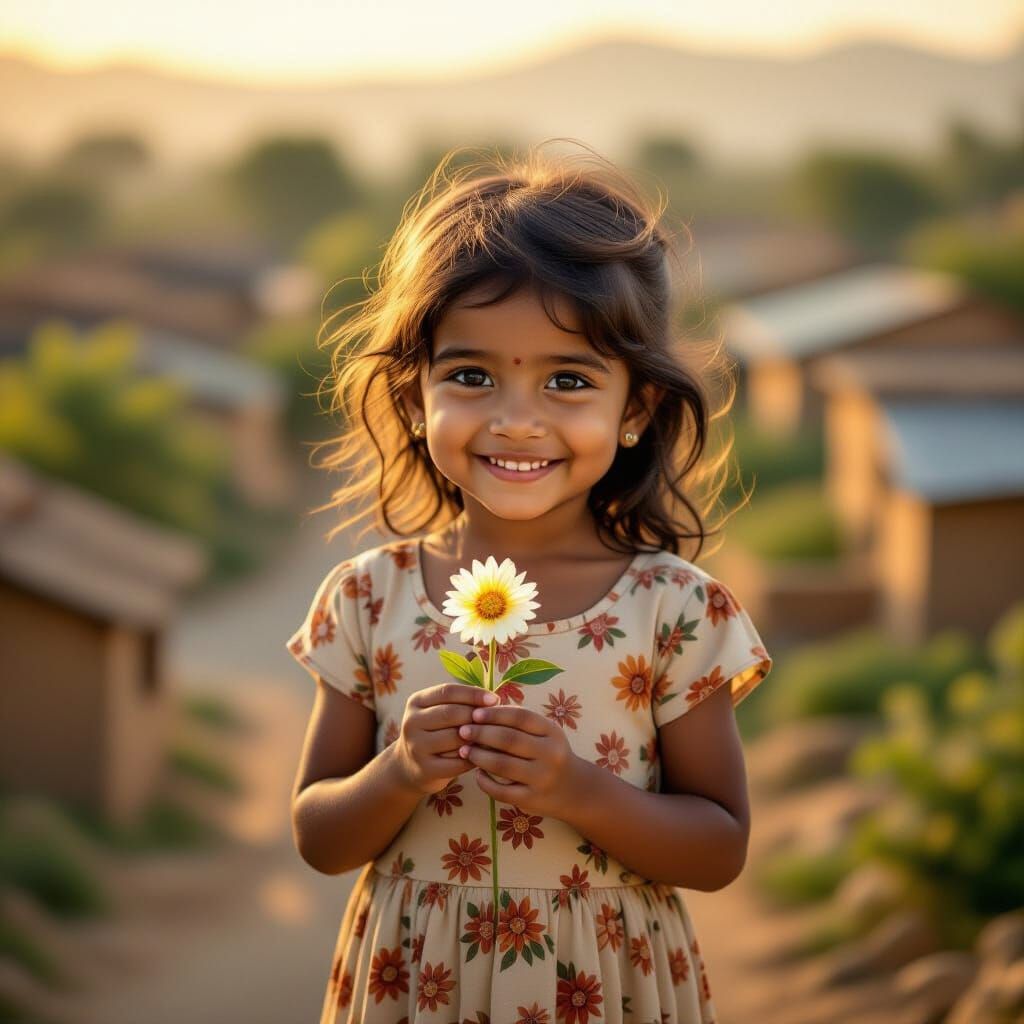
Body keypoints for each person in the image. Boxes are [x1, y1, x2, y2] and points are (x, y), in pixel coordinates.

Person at [285, 139, 773, 1024]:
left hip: (605, 984)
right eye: (470, 375)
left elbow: (719, 849)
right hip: (416, 981)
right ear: (413, 396)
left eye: (567, 380)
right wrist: (398, 773)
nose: (516, 420)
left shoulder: (675, 611)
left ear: (635, 409)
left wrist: (576, 790)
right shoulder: (366, 599)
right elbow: (319, 836)